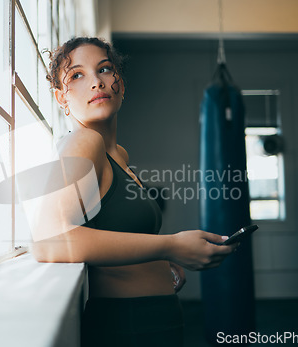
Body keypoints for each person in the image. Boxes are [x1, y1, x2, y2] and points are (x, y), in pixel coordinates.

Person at [30, 37, 237, 347]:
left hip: (158, 317)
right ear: (61, 98)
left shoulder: (119, 155)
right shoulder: (84, 142)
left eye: (105, 69)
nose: (97, 82)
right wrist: (169, 246)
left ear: (121, 85)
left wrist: (159, 261)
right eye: (77, 75)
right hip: (126, 324)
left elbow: (116, 232)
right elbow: (51, 241)